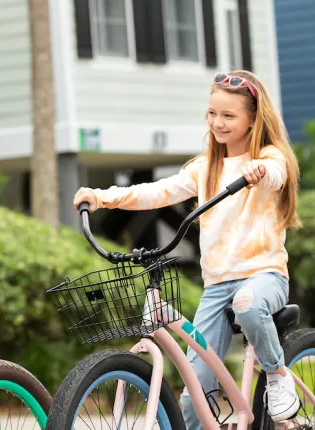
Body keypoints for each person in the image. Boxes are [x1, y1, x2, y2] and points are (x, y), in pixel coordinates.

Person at [73, 70, 302, 428]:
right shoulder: (205, 168)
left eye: (229, 116)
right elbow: (156, 192)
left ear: (253, 119)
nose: (218, 123)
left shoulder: (270, 157)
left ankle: (276, 374)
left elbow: (276, 174)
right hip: (217, 286)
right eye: (213, 113)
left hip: (263, 275)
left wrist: (261, 169)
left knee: (248, 303)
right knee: (194, 400)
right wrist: (101, 197)